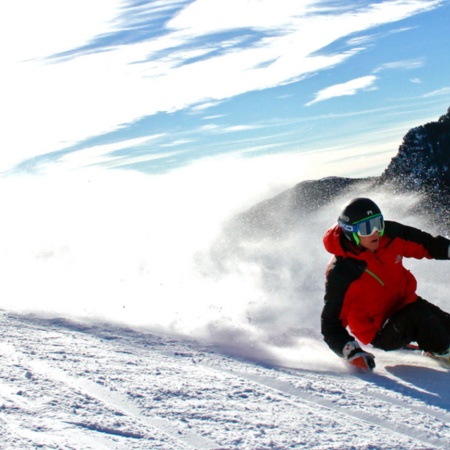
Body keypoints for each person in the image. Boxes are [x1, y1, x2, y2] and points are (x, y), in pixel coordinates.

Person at [321, 197, 450, 371]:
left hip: (407, 305)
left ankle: (434, 344)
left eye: (378, 223)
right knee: (421, 317)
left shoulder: (389, 235)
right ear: (351, 232)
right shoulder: (342, 272)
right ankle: (442, 351)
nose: (375, 232)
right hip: (381, 330)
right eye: (367, 228)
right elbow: (331, 323)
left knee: (441, 322)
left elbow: (426, 244)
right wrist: (351, 352)